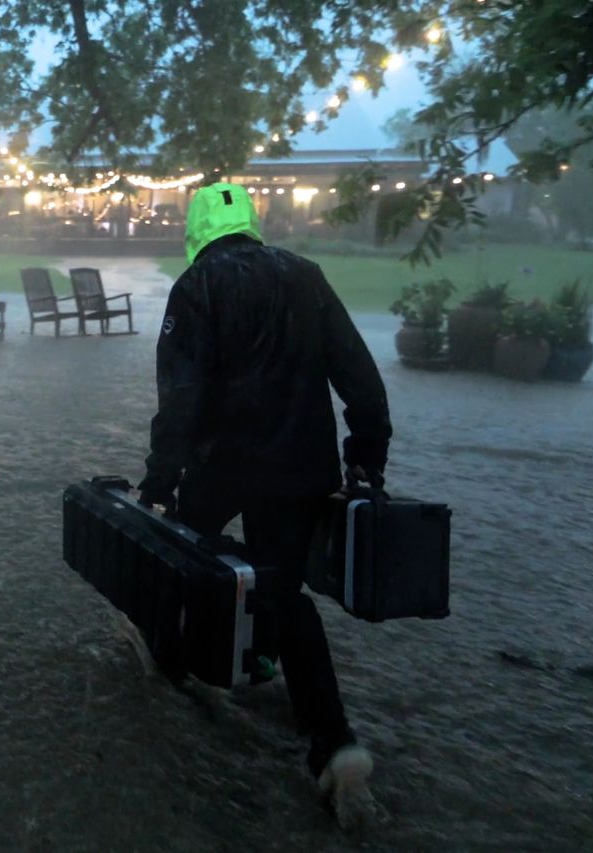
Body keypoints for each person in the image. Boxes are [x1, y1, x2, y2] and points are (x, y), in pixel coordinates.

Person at [135, 181, 392, 829]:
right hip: (302, 469)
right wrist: (366, 455)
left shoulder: (195, 289)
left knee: (180, 555)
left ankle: (168, 659)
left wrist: (160, 481)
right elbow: (361, 378)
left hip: (222, 467)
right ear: (253, 222)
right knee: (282, 590)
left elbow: (181, 400)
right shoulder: (306, 276)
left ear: (196, 231)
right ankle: (335, 745)